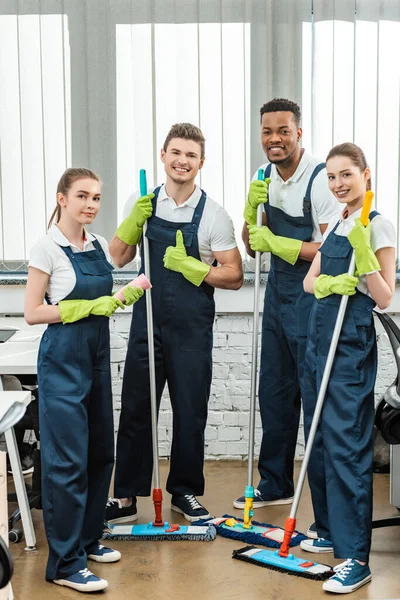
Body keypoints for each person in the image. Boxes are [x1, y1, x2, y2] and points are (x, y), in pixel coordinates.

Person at [106, 122, 243, 524]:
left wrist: (193, 267)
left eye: (191, 155)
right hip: (146, 322)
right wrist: (134, 220)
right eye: (176, 153)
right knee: (135, 408)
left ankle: (184, 491)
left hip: (191, 328)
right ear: (163, 155)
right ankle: (127, 497)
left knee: (190, 410)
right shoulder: (143, 200)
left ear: (202, 163)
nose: (182, 161)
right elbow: (117, 256)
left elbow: (233, 275)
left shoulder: (214, 215)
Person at [24, 168, 143, 594]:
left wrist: (116, 299)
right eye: (82, 196)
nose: (91, 204)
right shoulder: (47, 247)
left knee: (99, 455)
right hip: (63, 358)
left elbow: (107, 286)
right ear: (61, 198)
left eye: (96, 197)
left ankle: (89, 538)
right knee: (67, 461)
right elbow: (33, 311)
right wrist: (80, 309)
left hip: (95, 354)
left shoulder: (93, 243)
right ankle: (65, 563)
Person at [300, 143, 396, 594]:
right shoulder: (339, 220)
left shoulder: (376, 225)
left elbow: (385, 297)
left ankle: (356, 557)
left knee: (346, 448)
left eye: (347, 175)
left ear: (366, 174)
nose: (339, 184)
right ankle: (332, 532)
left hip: (350, 351)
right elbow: (308, 279)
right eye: (332, 177)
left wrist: (363, 260)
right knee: (320, 439)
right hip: (320, 342)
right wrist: (330, 281)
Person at [234, 98, 338, 510]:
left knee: (311, 394)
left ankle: (325, 503)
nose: (274, 139)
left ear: (299, 133)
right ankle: (275, 483)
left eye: (283, 131)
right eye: (267, 131)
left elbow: (332, 249)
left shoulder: (320, 179)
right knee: (274, 392)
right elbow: (252, 246)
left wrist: (280, 243)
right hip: (277, 294)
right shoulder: (264, 176)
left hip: (310, 296)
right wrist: (249, 213)